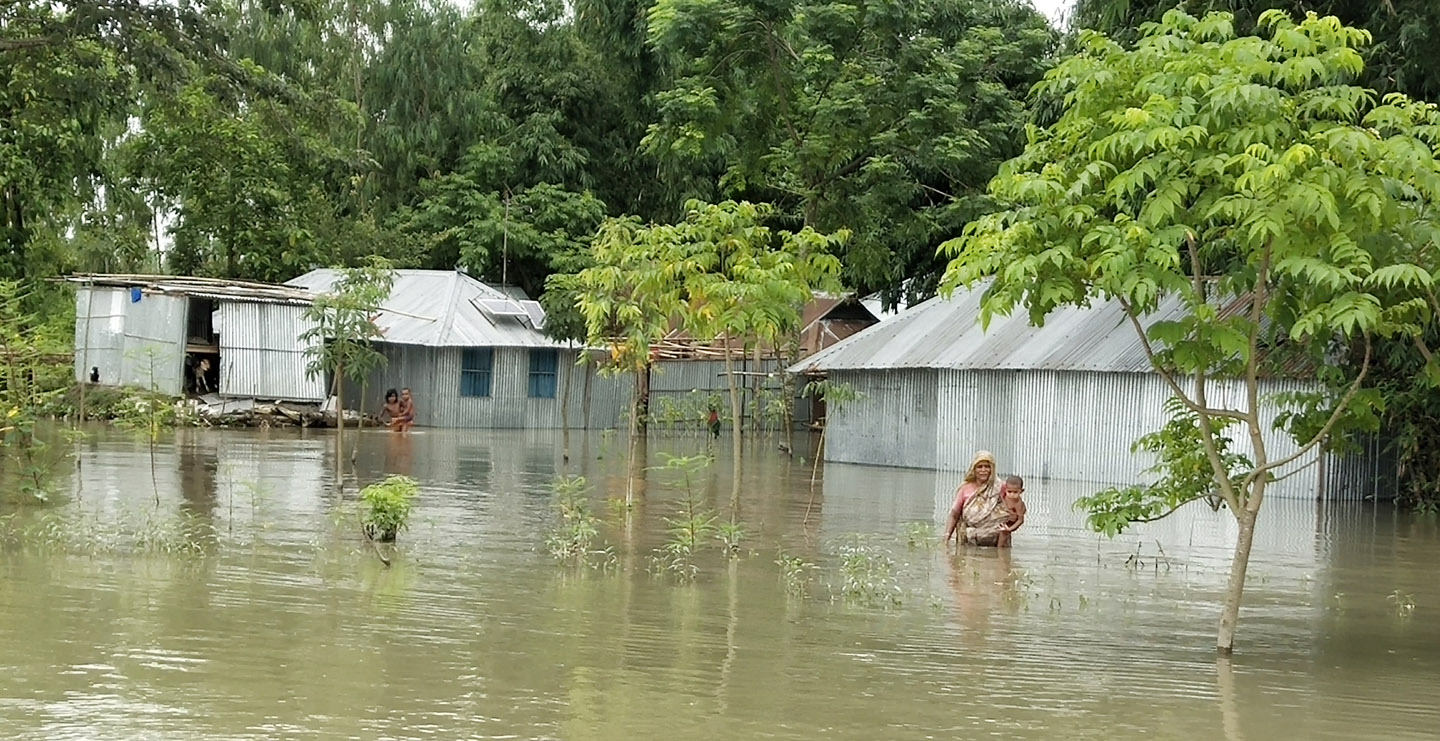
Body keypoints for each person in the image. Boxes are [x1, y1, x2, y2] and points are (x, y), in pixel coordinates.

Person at [942, 450, 1013, 547]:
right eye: (980, 467)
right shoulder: (965, 489)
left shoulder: (1001, 487)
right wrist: (946, 537)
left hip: (997, 542)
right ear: (974, 469)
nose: (983, 470)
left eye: (987, 466)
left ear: (992, 468)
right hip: (971, 541)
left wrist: (1010, 524)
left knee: (999, 560)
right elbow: (954, 514)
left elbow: (1015, 510)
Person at [997, 474, 1028, 548]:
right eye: (1009, 492)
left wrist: (1010, 529)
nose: (1012, 495)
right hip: (1003, 519)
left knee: (1002, 539)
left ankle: (1000, 554)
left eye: (1015, 492)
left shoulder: (1018, 504)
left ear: (1021, 491)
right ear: (1005, 490)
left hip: (1011, 523)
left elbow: (1020, 520)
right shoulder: (1004, 496)